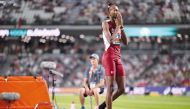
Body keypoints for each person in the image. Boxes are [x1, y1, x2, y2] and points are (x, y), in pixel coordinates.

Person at [99, 3, 128, 109]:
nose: (116, 12)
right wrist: (118, 27)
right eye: (114, 10)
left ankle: (102, 106)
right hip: (109, 56)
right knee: (110, 88)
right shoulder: (105, 23)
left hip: (117, 56)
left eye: (117, 10)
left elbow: (126, 42)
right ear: (109, 12)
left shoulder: (118, 25)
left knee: (122, 89)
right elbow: (110, 40)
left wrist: (121, 27)